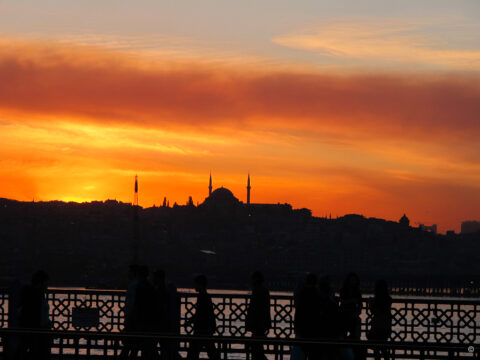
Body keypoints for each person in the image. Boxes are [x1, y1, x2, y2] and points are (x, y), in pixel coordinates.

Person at [17, 270, 52, 360]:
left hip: (32, 331)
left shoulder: (30, 293)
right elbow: (37, 316)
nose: (47, 287)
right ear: (41, 283)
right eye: (46, 284)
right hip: (37, 332)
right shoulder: (35, 296)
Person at [186, 275, 219, 360]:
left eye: (195, 284)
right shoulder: (206, 296)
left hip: (201, 329)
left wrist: (190, 321)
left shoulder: (202, 296)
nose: (194, 286)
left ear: (199, 284)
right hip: (207, 329)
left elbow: (200, 313)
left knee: (193, 353)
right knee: (211, 352)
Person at [131, 265, 159, 359]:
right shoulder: (150, 287)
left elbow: (137, 305)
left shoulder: (140, 287)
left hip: (141, 323)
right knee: (147, 349)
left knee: (136, 347)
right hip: (148, 323)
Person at [245, 271, 271, 360]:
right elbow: (266, 309)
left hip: (257, 324)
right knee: (258, 348)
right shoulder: (265, 290)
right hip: (262, 324)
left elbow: (254, 309)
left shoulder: (256, 291)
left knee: (257, 350)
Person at [294, 273, 320, 360]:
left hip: (303, 326)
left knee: (303, 351)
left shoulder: (302, 292)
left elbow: (298, 309)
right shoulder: (317, 292)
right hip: (314, 327)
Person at [339, 273, 364, 360]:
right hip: (344, 316)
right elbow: (342, 301)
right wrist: (352, 301)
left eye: (354, 280)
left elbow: (360, 305)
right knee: (343, 336)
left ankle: (353, 354)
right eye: (351, 280)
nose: (353, 282)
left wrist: (357, 313)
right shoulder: (343, 290)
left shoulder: (357, 291)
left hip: (353, 316)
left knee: (355, 337)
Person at [367, 280, 392, 360]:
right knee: (383, 347)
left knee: (376, 349)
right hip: (386, 327)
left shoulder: (376, 300)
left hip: (377, 327)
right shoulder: (388, 299)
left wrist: (370, 303)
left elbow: (374, 312)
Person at [121, 264, 139, 359]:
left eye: (130, 272)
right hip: (135, 320)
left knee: (128, 345)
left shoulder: (133, 286)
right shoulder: (136, 285)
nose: (128, 274)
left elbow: (131, 304)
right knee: (132, 346)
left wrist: (128, 318)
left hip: (132, 320)